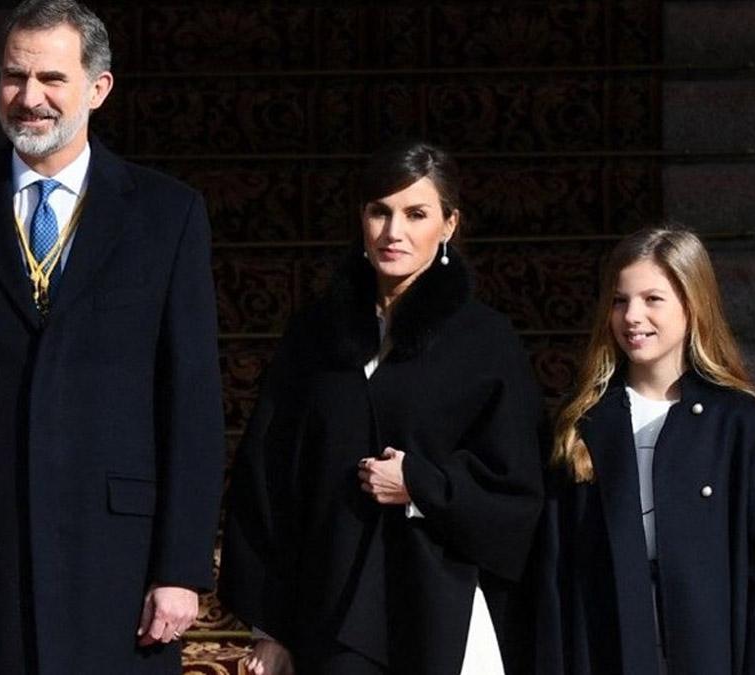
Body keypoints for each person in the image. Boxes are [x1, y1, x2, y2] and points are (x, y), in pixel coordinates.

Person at [0, 1, 225, 673]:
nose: (29, 98)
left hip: (116, 563)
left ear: (98, 87)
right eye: (14, 77)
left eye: (51, 79)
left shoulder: (166, 214)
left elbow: (192, 402)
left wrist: (181, 567)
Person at [219, 141, 546, 674]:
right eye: (380, 211)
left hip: (442, 606)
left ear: (448, 225)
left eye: (416, 214)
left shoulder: (486, 343)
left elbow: (516, 489)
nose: (394, 232)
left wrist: (420, 485)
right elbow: (269, 479)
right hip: (326, 608)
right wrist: (270, 627)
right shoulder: (314, 336)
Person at [547, 227, 755, 673]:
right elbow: (557, 570)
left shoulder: (739, 423)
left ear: (691, 303)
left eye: (653, 299)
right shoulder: (583, 422)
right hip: (607, 644)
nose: (632, 316)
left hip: (710, 646)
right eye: (619, 301)